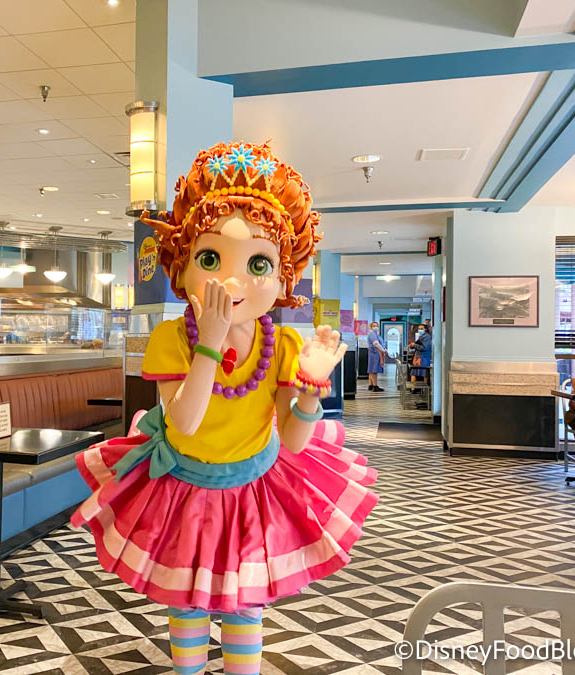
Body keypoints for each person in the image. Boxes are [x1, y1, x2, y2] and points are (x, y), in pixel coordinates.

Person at [70, 142, 378, 675]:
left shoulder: (282, 345)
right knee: (186, 604)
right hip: (184, 488)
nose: (233, 282)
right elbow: (185, 423)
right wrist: (210, 343)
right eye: (210, 259)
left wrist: (311, 387)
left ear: (283, 279)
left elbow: (294, 439)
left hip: (255, 488)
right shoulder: (172, 339)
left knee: (245, 607)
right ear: (182, 267)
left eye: (258, 263)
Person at [409, 324, 432, 388]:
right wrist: (412, 346)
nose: (420, 330)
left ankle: (424, 390)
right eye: (419, 328)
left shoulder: (427, 337)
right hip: (419, 357)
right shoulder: (421, 336)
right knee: (413, 373)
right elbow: (418, 345)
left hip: (424, 357)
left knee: (425, 374)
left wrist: (415, 345)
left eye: (421, 329)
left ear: (425, 329)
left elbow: (424, 348)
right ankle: (413, 388)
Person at [366, 321, 386, 392]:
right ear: (371, 327)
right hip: (374, 353)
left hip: (375, 353)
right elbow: (376, 343)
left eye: (376, 326)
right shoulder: (372, 334)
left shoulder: (376, 335)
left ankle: (371, 385)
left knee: (371, 369)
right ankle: (375, 386)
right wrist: (383, 350)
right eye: (374, 326)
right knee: (374, 370)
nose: (375, 327)